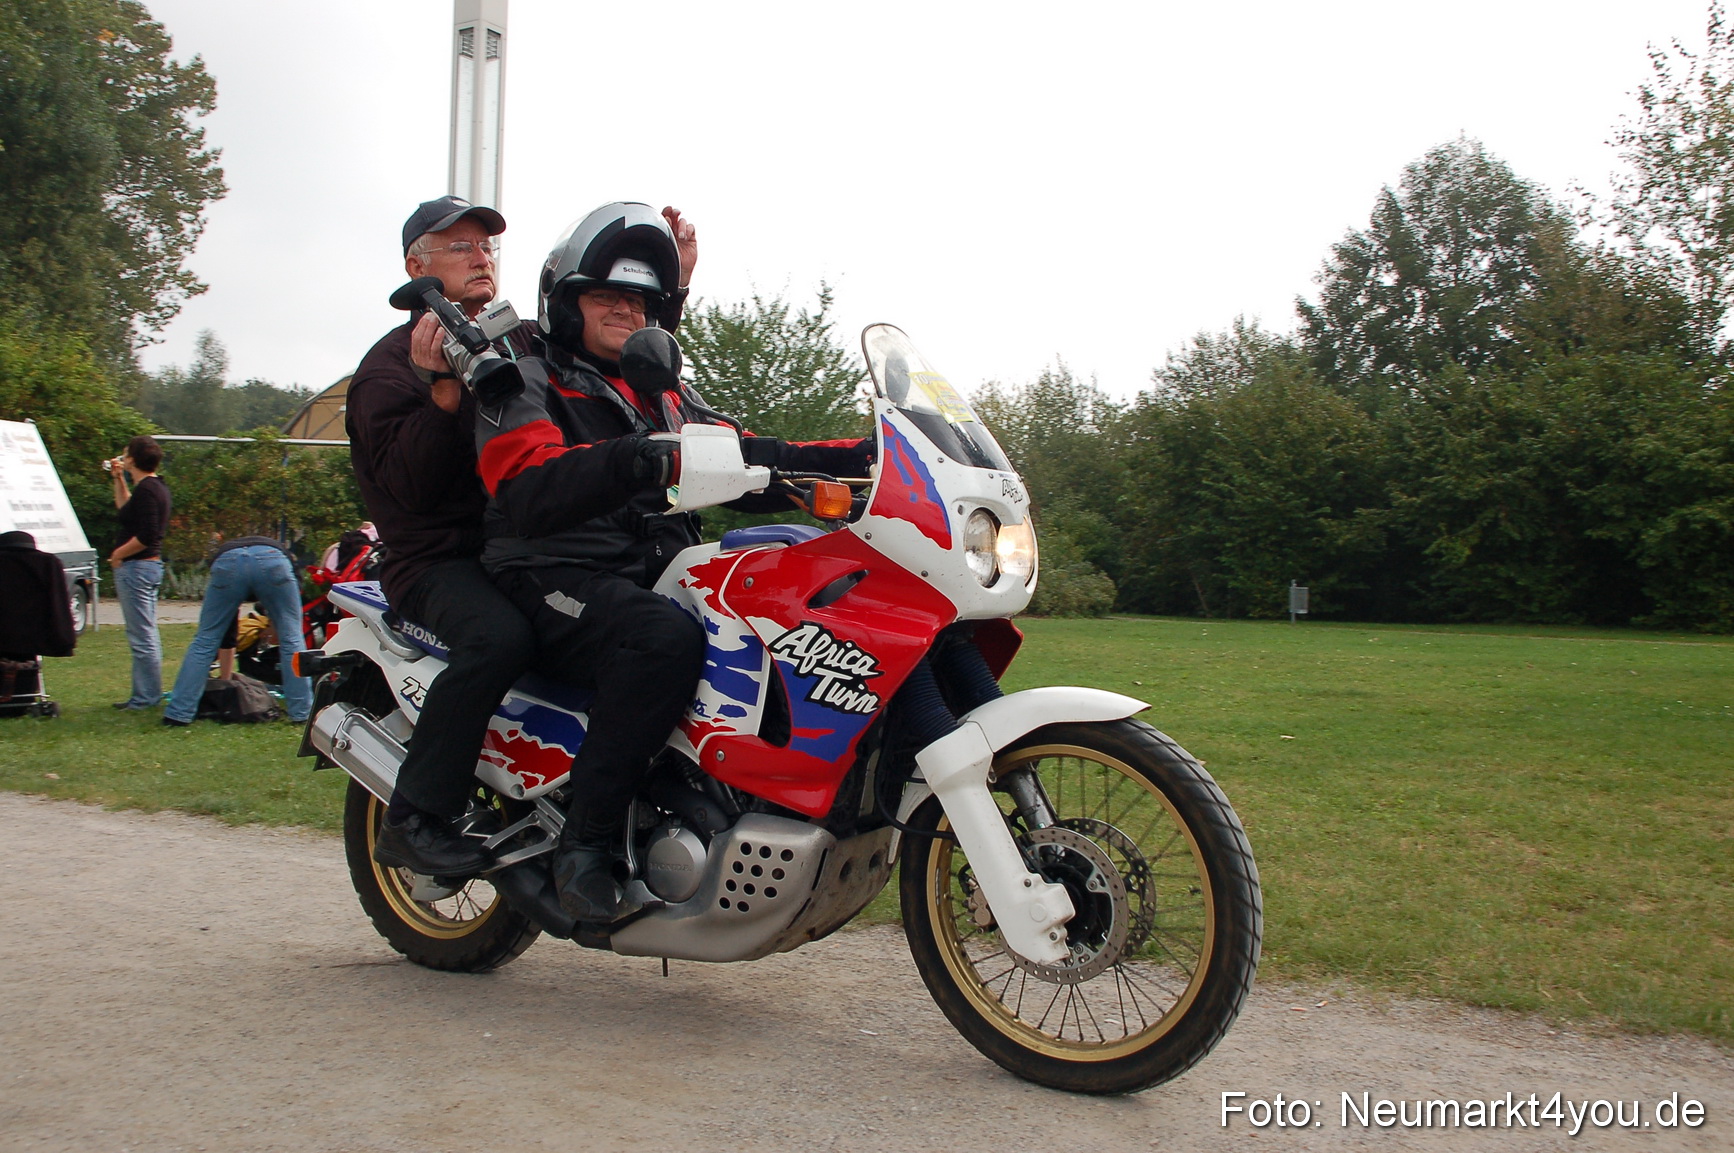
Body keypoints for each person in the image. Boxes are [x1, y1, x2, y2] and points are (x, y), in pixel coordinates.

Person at [472, 202, 872, 924]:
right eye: (607, 295)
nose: (627, 309)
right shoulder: (523, 377)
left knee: (795, 590)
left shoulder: (660, 393)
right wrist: (634, 458)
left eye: (641, 299)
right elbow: (527, 486)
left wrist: (868, 453)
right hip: (550, 572)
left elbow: (753, 454)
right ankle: (586, 845)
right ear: (566, 303)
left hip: (643, 574)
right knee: (660, 638)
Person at [343, 196, 696, 879]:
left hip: (515, 542)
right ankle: (417, 816)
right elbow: (409, 489)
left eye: (488, 247)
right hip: (435, 558)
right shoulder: (390, 366)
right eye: (460, 247)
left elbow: (604, 345)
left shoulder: (514, 342)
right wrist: (442, 394)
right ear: (416, 265)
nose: (481, 257)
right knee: (501, 635)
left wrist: (669, 286)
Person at [162, 535, 310, 726]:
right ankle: (302, 713)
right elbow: (290, 613)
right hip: (274, 558)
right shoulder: (289, 566)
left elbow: (225, 627)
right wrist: (274, 625)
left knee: (205, 640)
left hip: (227, 560)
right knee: (292, 638)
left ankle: (178, 714)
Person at [107, 435, 170, 710]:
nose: (122, 457)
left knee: (142, 635)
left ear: (132, 458)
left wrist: (118, 554)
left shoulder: (148, 491)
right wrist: (119, 478)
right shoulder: (152, 488)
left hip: (137, 567)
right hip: (146, 567)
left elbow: (147, 535)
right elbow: (125, 510)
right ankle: (143, 694)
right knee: (144, 632)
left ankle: (146, 697)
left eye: (125, 454)